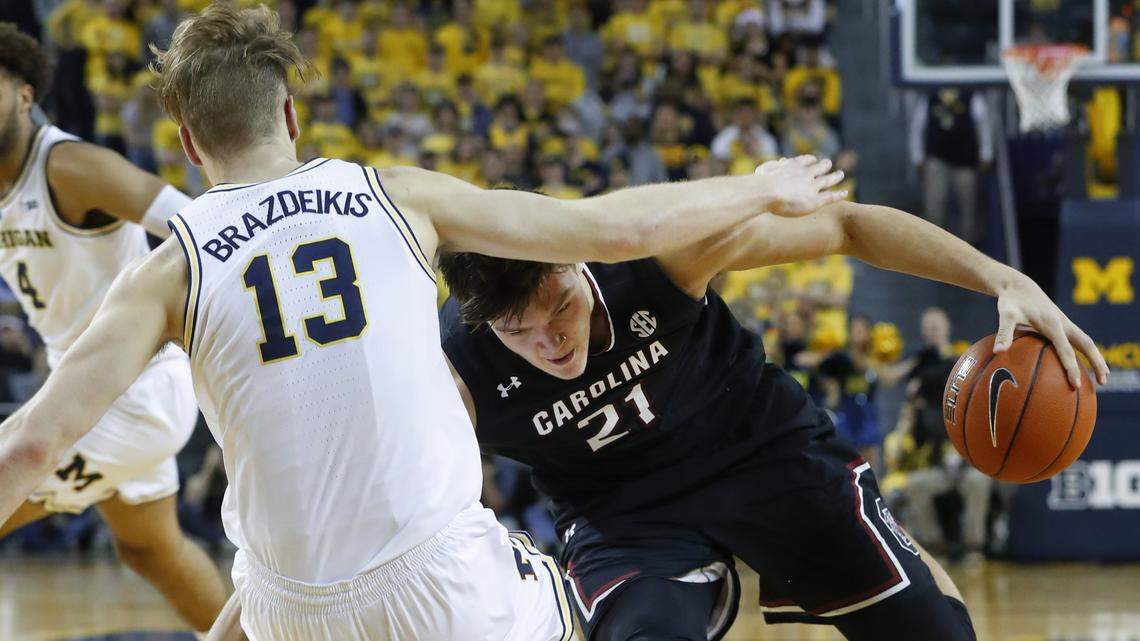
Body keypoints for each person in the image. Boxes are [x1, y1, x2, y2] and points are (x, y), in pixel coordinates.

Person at [0, 6, 845, 640]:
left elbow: (31, 446)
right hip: (443, 584)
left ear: (187, 143)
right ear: (290, 117)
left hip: (289, 608)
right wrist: (758, 186)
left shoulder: (170, 268)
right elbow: (618, 228)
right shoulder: (397, 193)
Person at [437, 176, 1109, 641]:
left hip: (763, 452)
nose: (550, 340)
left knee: (928, 630)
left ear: (578, 258)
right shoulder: (451, 371)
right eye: (518, 331)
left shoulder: (651, 259)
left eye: (560, 305)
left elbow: (845, 226)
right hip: (623, 515)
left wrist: (1006, 280)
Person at [0, 22, 227, 634]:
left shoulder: (70, 167)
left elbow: (195, 222)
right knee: (150, 549)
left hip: (133, 390)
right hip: (85, 394)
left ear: (24, 95)